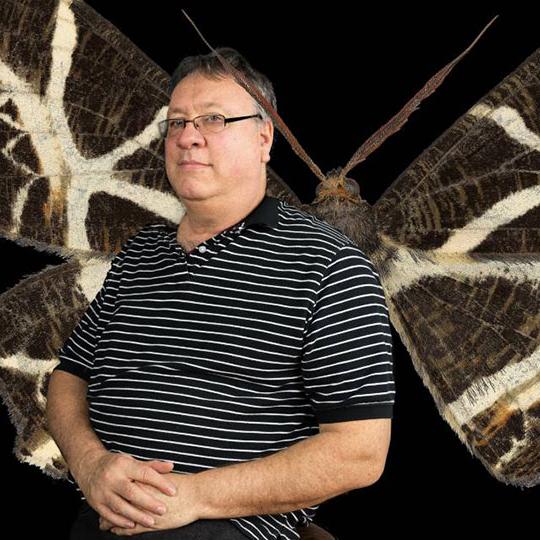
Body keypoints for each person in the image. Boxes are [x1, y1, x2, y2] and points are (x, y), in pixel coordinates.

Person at [46, 47, 395, 540]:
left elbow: (360, 452)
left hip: (221, 527)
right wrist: (90, 466)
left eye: (214, 119)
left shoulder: (329, 266)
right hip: (100, 518)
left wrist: (193, 498)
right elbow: (68, 379)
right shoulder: (140, 254)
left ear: (263, 137)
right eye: (177, 122)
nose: (188, 137)